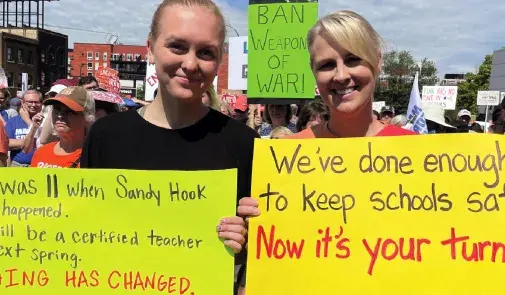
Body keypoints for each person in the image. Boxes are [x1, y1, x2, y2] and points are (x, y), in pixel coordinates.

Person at [236, 10, 418, 294]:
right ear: (314, 73)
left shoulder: (415, 152)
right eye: (327, 65)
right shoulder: (286, 157)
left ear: (377, 62)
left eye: (353, 59)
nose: (341, 75)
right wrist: (250, 233)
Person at [80, 1, 255, 292]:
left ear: (219, 61)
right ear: (150, 48)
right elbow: (83, 234)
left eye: (206, 52)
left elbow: (259, 259)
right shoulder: (105, 136)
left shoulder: (243, 143)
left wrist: (247, 238)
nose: (190, 63)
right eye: (177, 46)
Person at [31, 87, 95, 168]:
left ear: (88, 118)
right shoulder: (41, 153)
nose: (60, 115)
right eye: (57, 109)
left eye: (69, 111)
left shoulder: (94, 156)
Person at [5, 90, 43, 167]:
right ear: (23, 103)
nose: (33, 105)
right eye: (29, 102)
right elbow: (7, 143)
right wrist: (34, 141)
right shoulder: (13, 121)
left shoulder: (47, 121)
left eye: (36, 102)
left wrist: (19, 143)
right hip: (17, 165)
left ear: (41, 103)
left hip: (39, 165)